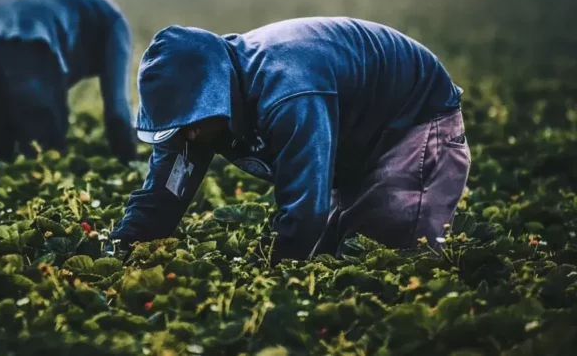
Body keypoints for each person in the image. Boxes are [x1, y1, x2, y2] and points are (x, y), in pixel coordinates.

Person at [109, 17, 471, 264]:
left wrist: (265, 268)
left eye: (192, 121)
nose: (188, 135)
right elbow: (163, 193)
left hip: (414, 116)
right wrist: (121, 251)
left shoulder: (288, 92)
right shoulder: (199, 119)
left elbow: (305, 209)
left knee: (392, 252)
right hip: (351, 128)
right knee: (337, 253)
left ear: (215, 94)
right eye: (177, 125)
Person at [0, 0, 136, 166]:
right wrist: (129, 161)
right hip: (31, 40)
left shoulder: (89, 14)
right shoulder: (116, 25)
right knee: (44, 158)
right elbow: (118, 112)